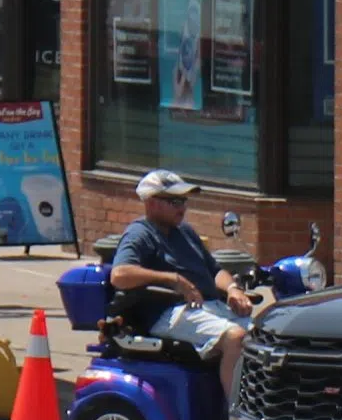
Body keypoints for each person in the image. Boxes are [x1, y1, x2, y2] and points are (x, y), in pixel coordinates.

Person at [106, 167, 255, 394]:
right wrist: (174, 279)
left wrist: (234, 289)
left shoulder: (185, 231)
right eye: (174, 202)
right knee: (236, 337)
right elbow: (119, 275)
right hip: (170, 312)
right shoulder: (139, 233)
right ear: (152, 202)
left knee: (266, 335)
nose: (182, 208)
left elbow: (215, 271)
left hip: (208, 307)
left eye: (184, 201)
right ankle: (237, 417)